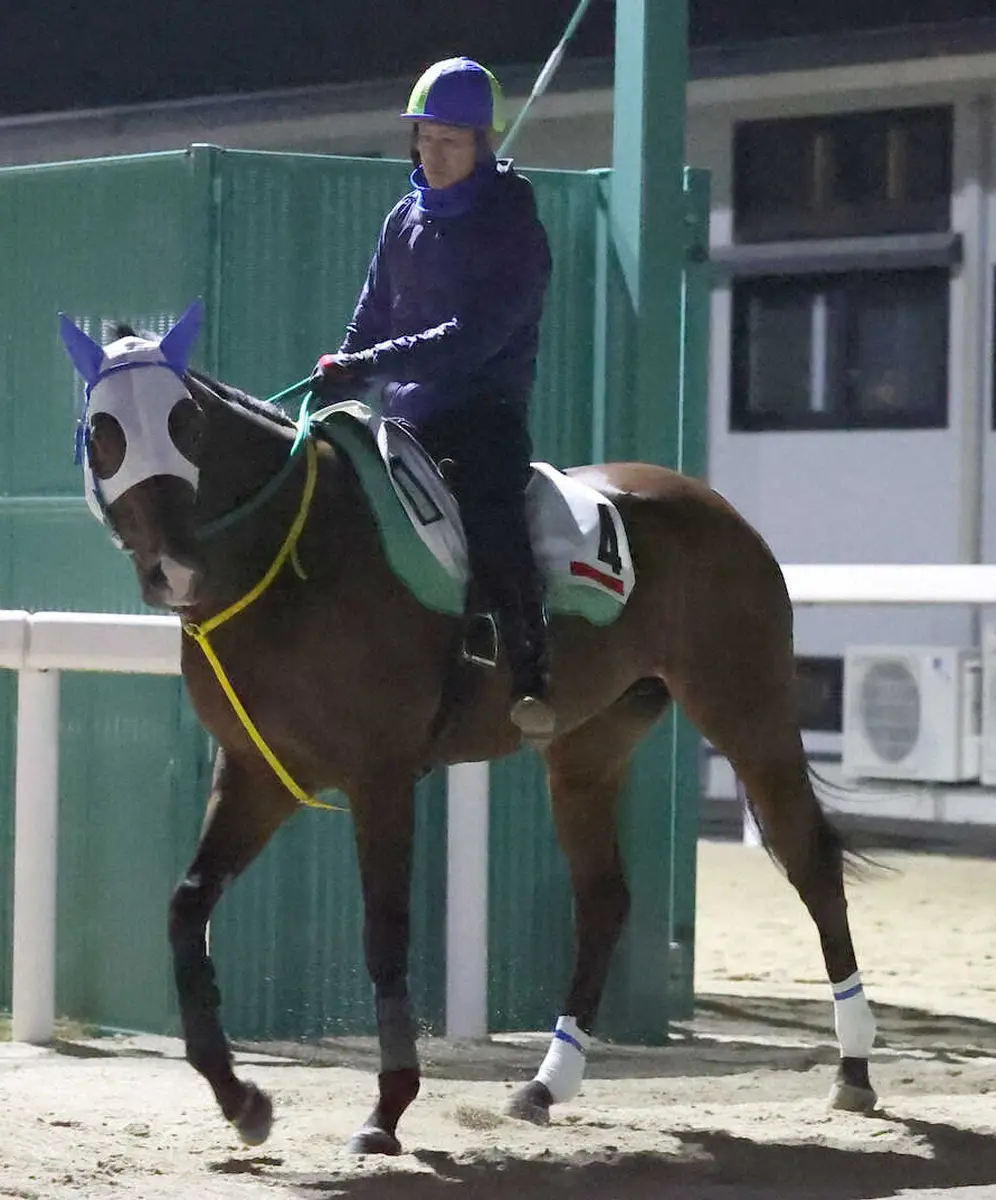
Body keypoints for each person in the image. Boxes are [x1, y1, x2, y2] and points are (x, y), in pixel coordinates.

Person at [311, 56, 555, 741]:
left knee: (487, 510)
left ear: (483, 144)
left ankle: (530, 662)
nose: (432, 151)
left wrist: (367, 363)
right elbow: (371, 318)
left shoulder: (513, 228)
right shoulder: (401, 220)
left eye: (449, 139)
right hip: (404, 420)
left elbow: (467, 340)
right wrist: (341, 371)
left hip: (483, 415)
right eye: (424, 136)